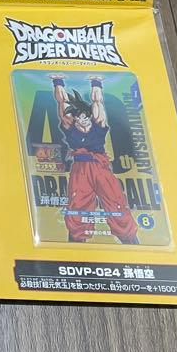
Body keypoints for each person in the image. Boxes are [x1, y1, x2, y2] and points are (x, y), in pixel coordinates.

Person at [53, 76, 138, 244]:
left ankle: (130, 240)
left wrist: (96, 83)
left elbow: (97, 101)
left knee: (115, 202)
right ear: (75, 118)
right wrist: (58, 82)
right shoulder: (71, 128)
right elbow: (62, 103)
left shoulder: (98, 125)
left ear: (89, 116)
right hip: (80, 170)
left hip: (100, 168)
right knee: (77, 205)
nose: (82, 121)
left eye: (85, 117)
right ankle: (77, 244)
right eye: (78, 118)